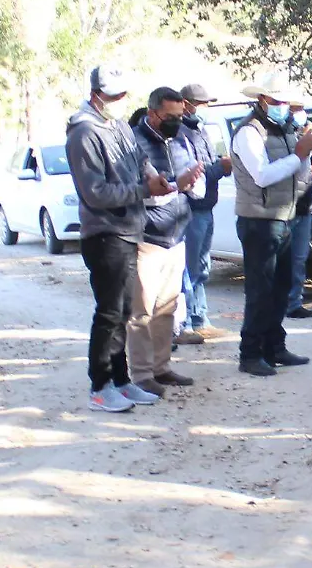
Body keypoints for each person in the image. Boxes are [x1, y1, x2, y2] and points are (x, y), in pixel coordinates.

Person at [66, 66, 169, 412]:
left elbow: (140, 161)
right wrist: (143, 189)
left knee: (124, 311)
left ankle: (121, 382)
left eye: (123, 95)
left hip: (129, 230)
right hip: (104, 234)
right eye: (113, 96)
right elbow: (96, 193)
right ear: (96, 95)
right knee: (108, 313)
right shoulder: (83, 134)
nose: (120, 101)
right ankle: (100, 385)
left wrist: (156, 179)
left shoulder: (120, 126)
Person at [233, 73, 312, 376]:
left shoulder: (284, 130)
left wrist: (308, 155)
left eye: (284, 101)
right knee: (260, 290)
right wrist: (299, 153)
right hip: (259, 220)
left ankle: (274, 347)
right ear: (261, 100)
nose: (282, 106)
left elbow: (297, 173)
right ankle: (250, 353)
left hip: (283, 216)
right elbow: (263, 175)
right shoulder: (249, 132)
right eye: (276, 101)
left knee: (280, 287)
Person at [128, 87, 206, 395]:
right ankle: (141, 373)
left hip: (176, 236)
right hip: (146, 237)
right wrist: (177, 186)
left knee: (166, 309)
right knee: (141, 312)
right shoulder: (134, 143)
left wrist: (192, 184)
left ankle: (161, 367)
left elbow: (192, 180)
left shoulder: (180, 138)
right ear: (152, 114)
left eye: (180, 115)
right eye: (170, 117)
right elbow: (140, 193)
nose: (177, 121)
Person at [175, 83, 231, 343]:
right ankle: (187, 322)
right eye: (202, 103)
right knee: (189, 268)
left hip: (205, 207)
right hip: (190, 209)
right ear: (186, 104)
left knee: (201, 265)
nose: (205, 109)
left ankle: (200, 318)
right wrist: (221, 168)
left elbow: (207, 166)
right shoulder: (179, 134)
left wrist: (219, 166)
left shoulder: (200, 131)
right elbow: (194, 173)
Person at [284, 101, 312, 319]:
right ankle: (281, 301)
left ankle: (295, 301)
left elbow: (306, 167)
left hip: (305, 203)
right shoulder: (281, 135)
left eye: (302, 109)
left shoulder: (306, 134)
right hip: (285, 205)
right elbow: (286, 166)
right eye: (295, 109)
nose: (300, 113)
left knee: (300, 256)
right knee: (284, 257)